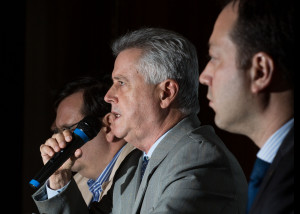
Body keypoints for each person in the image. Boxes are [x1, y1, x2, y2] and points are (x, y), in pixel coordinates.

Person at [32, 28, 248, 214]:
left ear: (165, 93)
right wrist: (59, 180)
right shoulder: (134, 164)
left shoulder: (199, 159)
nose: (108, 96)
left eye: (122, 83)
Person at [199, 0, 294, 213]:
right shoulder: (278, 167)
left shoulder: (287, 191)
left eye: (214, 57)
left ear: (260, 71)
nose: (204, 76)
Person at [32, 77, 136, 211]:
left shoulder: (138, 170)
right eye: (56, 131)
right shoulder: (77, 185)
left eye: (67, 129)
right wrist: (58, 180)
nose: (60, 138)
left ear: (109, 126)